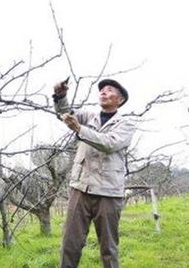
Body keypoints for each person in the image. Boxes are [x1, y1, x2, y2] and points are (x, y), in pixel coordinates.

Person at [53, 79, 136, 268]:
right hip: (80, 188)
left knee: (108, 248)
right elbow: (65, 114)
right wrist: (60, 96)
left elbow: (108, 143)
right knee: (69, 244)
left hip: (108, 192)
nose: (103, 93)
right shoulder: (90, 115)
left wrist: (79, 129)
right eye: (102, 90)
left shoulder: (126, 125)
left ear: (120, 100)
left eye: (109, 90)